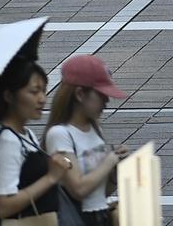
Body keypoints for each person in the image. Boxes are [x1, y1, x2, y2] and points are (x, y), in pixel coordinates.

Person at [0, 60, 74, 225]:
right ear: (9, 96)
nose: (42, 99)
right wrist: (50, 177)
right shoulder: (7, 141)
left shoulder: (25, 134)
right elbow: (3, 206)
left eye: (43, 91)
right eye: (34, 92)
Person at [48, 55, 131, 226]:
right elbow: (79, 189)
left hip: (100, 217)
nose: (107, 101)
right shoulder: (60, 134)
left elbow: (100, 194)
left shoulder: (95, 130)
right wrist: (109, 161)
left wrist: (115, 173)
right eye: (101, 95)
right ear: (80, 94)